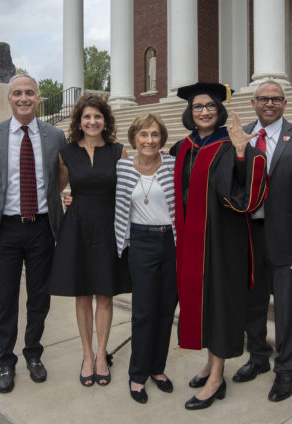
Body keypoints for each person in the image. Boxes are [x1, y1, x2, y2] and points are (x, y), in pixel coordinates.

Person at [170, 82, 267, 411]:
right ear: (190, 112)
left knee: (221, 303)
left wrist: (241, 153)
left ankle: (217, 378)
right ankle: (211, 364)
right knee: (205, 303)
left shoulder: (229, 143)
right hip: (192, 239)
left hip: (223, 240)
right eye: (198, 107)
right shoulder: (184, 146)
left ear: (219, 110)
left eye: (210, 106)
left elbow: (243, 194)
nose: (204, 111)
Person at [0, 74, 66, 393]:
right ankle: (6, 361)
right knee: (6, 298)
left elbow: (60, 177)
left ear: (39, 98)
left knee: (39, 296)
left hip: (42, 227)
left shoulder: (55, 136)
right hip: (7, 228)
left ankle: (34, 354)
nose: (24, 98)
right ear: (9, 99)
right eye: (18, 93)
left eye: (30, 93)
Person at [236, 79, 292, 402]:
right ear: (253, 103)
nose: (270, 104)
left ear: (285, 103)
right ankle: (258, 357)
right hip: (249, 238)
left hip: (286, 241)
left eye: (276, 99)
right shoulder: (240, 137)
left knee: (286, 309)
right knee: (252, 306)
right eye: (263, 99)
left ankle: (286, 371)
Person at [51, 94, 130, 388]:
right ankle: (87, 355)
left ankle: (101, 355)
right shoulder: (66, 152)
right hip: (78, 228)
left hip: (109, 227)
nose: (92, 121)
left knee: (105, 295)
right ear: (79, 121)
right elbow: (58, 188)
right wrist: (66, 197)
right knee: (82, 295)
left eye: (97, 116)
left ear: (105, 120)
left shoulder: (119, 151)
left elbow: (128, 192)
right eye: (87, 117)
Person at [114, 113, 177, 404]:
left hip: (171, 242)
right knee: (144, 311)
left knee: (165, 310)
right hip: (141, 242)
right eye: (143, 134)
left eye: (154, 134)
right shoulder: (123, 167)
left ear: (162, 138)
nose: (149, 140)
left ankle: (157, 368)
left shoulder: (173, 165)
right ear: (134, 139)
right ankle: (137, 374)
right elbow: (102, 193)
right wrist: (72, 197)